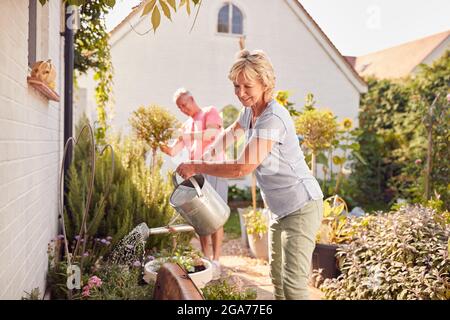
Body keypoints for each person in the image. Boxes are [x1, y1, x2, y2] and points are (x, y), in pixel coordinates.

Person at [176, 50, 324, 300]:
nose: (241, 92)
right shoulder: (251, 110)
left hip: (301, 205)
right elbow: (232, 132)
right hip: (278, 209)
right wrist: (211, 152)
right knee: (277, 278)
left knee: (294, 285)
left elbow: (241, 168)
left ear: (265, 83)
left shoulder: (272, 118)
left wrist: (198, 165)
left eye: (247, 86)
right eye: (236, 85)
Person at [160, 88, 228, 280]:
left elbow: (212, 135)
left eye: (184, 104)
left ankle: (217, 260)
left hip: (214, 168)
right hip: (195, 175)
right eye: (179, 107)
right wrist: (158, 142)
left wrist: (187, 136)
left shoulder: (209, 112)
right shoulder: (186, 125)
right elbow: (174, 151)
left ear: (192, 99)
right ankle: (207, 259)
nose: (182, 108)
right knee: (201, 218)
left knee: (216, 215)